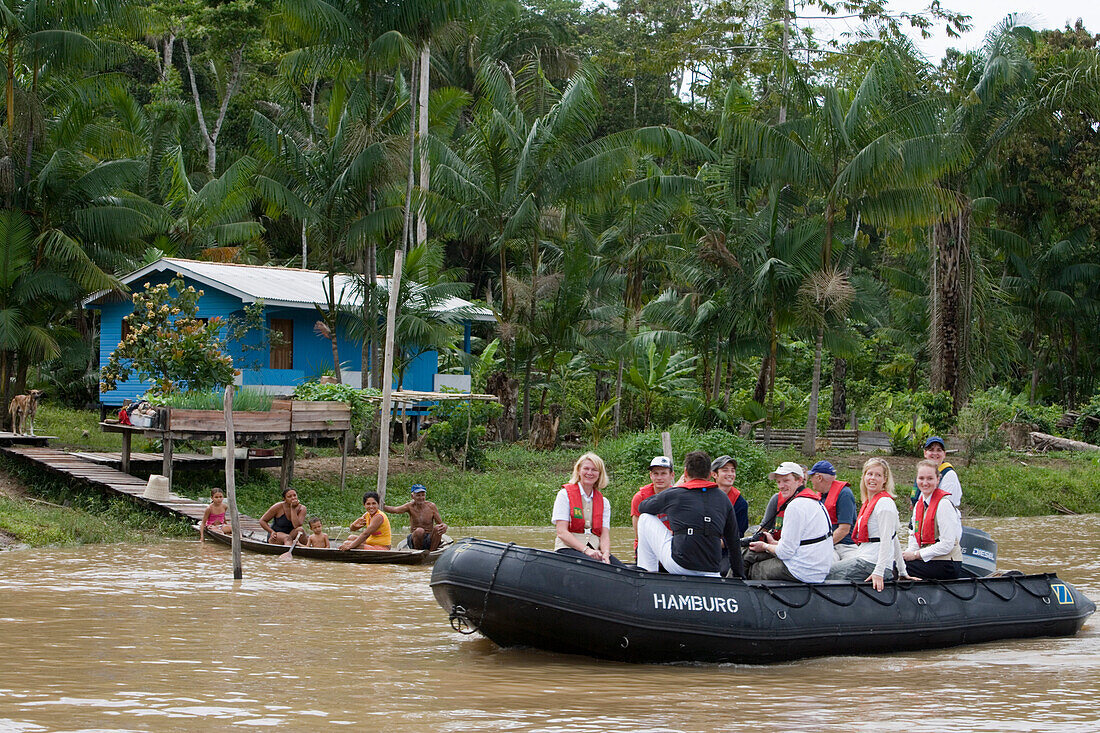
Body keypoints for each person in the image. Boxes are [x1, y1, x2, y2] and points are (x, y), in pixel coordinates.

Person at [636, 450, 745, 578]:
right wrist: (739, 577)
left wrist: (675, 487)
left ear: (685, 473)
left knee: (644, 518)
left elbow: (643, 507)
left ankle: (647, 575)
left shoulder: (675, 493)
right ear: (710, 474)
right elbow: (734, 541)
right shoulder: (723, 498)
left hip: (679, 566)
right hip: (713, 570)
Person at [827, 457, 908, 591]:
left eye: (878, 475)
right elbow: (895, 539)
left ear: (885, 479)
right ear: (864, 477)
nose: (873, 478)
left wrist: (879, 571)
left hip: (871, 563)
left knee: (825, 573)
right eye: (869, 474)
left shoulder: (885, 504)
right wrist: (902, 571)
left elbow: (888, 539)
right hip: (864, 558)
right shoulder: (870, 503)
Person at [747, 462, 833, 582]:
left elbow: (785, 553)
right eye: (778, 482)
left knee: (754, 569)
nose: (781, 486)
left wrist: (765, 546)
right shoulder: (815, 502)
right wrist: (774, 543)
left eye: (786, 480)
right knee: (752, 555)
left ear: (799, 480)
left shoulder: (795, 506)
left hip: (803, 570)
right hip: (817, 568)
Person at [552, 452, 623, 565]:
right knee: (594, 566)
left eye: (594, 470)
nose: (590, 473)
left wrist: (605, 553)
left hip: (595, 550)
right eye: (586, 469)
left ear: (599, 474)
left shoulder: (604, 502)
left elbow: (604, 534)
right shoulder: (564, 495)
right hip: (567, 549)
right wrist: (586, 550)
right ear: (579, 471)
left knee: (621, 569)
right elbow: (561, 532)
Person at [903, 459, 964, 579]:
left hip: (947, 563)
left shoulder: (943, 504)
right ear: (916, 480)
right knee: (897, 563)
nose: (925, 483)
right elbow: (915, 540)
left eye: (930, 479)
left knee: (897, 567)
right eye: (921, 478)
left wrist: (916, 555)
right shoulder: (919, 506)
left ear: (937, 480)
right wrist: (906, 554)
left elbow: (947, 544)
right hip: (930, 560)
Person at [807, 461, 858, 561]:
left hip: (845, 545)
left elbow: (844, 529)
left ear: (819, 478)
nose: (810, 480)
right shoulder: (819, 495)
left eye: (812, 477)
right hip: (826, 543)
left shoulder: (845, 494)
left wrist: (824, 545)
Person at [630, 456, 676, 557]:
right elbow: (639, 534)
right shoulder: (639, 497)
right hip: (647, 546)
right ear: (651, 475)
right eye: (656, 473)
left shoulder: (678, 497)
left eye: (663, 473)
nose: (659, 478)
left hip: (671, 544)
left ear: (672, 475)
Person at [384, 484, 447, 551]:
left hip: (429, 539)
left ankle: (431, 552)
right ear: (412, 496)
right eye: (418, 495)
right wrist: (383, 506)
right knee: (420, 531)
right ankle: (418, 552)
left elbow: (440, 523)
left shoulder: (431, 506)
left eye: (423, 495)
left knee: (438, 528)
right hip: (415, 539)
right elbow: (395, 510)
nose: (421, 498)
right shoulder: (410, 506)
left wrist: (444, 526)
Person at [910, 436, 962, 509]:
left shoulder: (949, 475)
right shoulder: (923, 471)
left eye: (939, 450)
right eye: (931, 450)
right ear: (925, 453)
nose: (935, 453)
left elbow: (944, 505)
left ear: (944, 454)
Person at [711, 455, 749, 538]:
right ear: (714, 474)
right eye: (725, 470)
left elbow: (739, 534)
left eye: (733, 471)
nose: (730, 474)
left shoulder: (740, 503)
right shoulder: (705, 495)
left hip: (727, 548)